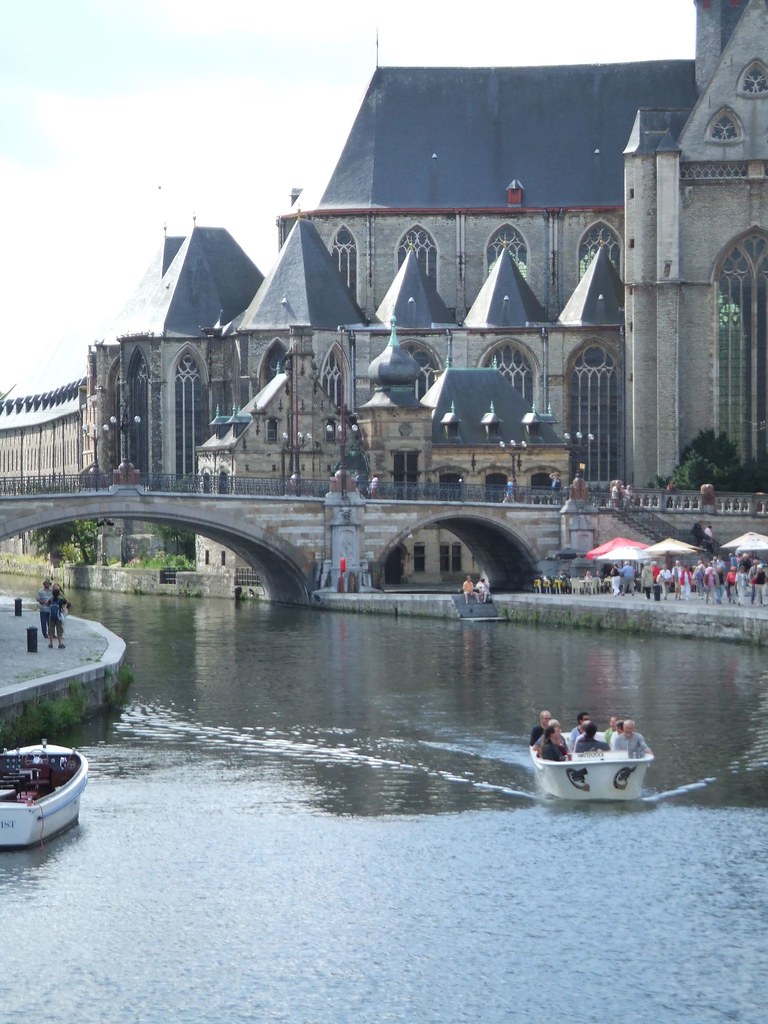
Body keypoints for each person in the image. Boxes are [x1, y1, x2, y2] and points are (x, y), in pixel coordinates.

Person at [47, 583, 70, 649]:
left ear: (53, 594)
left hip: (51, 617)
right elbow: (68, 601)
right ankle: (60, 644)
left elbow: (46, 603)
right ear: (58, 594)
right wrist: (62, 594)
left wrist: (52, 597)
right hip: (58, 617)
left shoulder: (51, 600)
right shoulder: (60, 600)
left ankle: (51, 644)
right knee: (59, 630)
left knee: (51, 630)